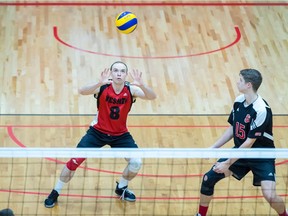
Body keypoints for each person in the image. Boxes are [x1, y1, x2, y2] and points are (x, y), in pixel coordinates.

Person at [44, 61, 157, 208]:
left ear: (125, 75)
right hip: (97, 133)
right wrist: (98, 83)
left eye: (122, 71)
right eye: (115, 70)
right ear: (111, 73)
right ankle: (55, 191)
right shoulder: (102, 87)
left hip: (120, 135)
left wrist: (142, 84)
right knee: (73, 162)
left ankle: (121, 187)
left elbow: (152, 97)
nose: (118, 73)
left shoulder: (132, 90)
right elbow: (82, 91)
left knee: (136, 162)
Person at [195, 69, 287, 216]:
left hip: (261, 156)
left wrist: (227, 162)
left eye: (240, 80)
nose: (237, 82)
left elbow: (249, 142)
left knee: (270, 196)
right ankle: (200, 214)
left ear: (249, 85)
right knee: (208, 178)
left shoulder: (261, 110)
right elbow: (233, 128)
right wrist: (213, 147)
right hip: (241, 153)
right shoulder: (239, 101)